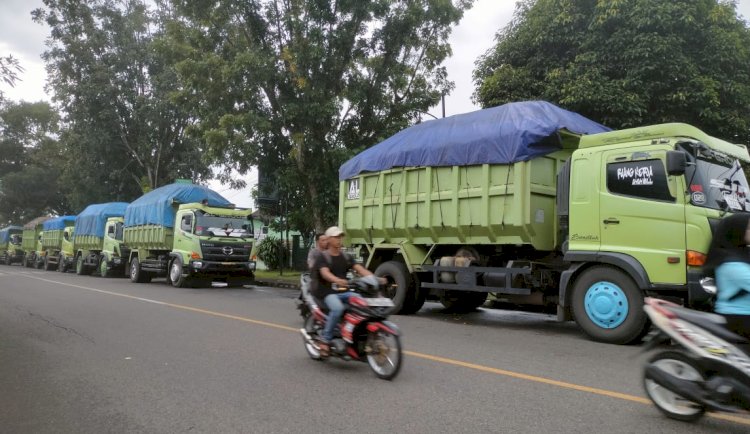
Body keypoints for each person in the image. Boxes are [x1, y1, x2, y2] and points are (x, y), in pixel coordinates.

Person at [310, 226, 382, 356]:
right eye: (336, 237)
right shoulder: (323, 257)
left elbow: (360, 269)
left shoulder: (346, 257)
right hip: (327, 293)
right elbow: (325, 273)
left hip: (343, 291)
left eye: (340, 237)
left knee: (362, 303)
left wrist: (374, 278)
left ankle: (353, 333)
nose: (339, 240)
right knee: (337, 308)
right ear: (329, 239)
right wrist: (336, 280)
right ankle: (325, 340)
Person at [704, 212, 750, 339]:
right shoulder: (731, 264)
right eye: (748, 228)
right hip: (738, 318)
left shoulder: (743, 254)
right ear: (737, 231)